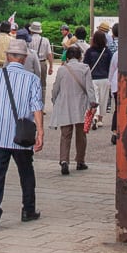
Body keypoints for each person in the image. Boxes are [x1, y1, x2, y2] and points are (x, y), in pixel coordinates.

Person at [0, 36, 43, 228]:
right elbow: (36, 107)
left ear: (7, 56)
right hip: (21, 135)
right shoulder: (32, 79)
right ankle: (28, 209)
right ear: (23, 58)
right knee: (26, 172)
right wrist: (40, 132)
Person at [49, 46, 97, 174]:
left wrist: (54, 100)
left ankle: (64, 160)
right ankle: (80, 161)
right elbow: (89, 88)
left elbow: (55, 88)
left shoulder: (62, 70)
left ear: (68, 57)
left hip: (65, 104)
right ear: (80, 57)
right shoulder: (85, 68)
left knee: (65, 134)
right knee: (81, 135)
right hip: (80, 104)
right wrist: (92, 102)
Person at [85, 27, 114, 127]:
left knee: (95, 98)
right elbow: (110, 65)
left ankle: (95, 116)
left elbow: (86, 65)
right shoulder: (107, 52)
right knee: (103, 98)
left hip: (92, 78)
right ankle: (100, 118)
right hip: (105, 78)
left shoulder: (89, 51)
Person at [26, 21, 54, 98]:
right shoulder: (45, 40)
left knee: (30, 83)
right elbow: (49, 54)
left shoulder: (28, 39)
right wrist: (51, 66)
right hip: (42, 63)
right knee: (42, 84)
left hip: (30, 63)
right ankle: (41, 106)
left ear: (31, 30)